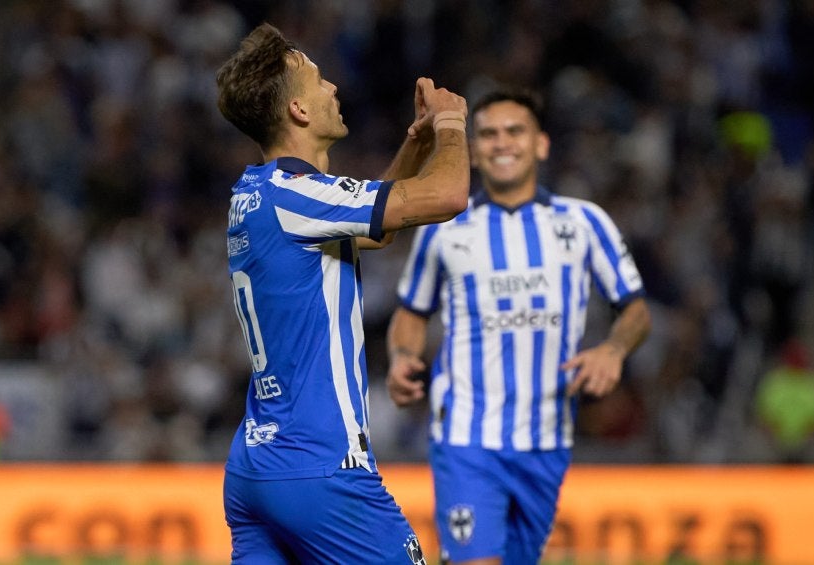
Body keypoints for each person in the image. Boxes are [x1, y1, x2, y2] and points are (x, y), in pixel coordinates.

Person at [214, 21, 470, 565]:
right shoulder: (295, 197)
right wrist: (450, 123)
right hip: (321, 468)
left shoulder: (257, 193)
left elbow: (376, 231)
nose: (333, 88)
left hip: (256, 468)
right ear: (299, 112)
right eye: (319, 79)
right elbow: (449, 194)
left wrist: (415, 144)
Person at [386, 87, 652, 564]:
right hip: (466, 434)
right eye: (487, 134)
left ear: (542, 144)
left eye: (515, 131)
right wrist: (403, 355)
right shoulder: (445, 228)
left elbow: (635, 309)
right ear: (472, 149)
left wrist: (614, 350)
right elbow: (411, 312)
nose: (501, 143)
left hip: (546, 440)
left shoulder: (584, 222)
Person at [754, 338, 814, 464]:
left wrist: (811, 433)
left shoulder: (813, 383)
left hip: (805, 443)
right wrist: (771, 430)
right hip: (777, 442)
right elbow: (764, 408)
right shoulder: (776, 381)